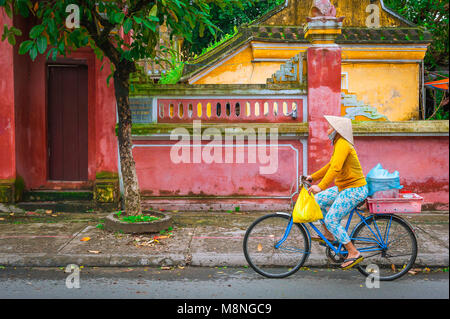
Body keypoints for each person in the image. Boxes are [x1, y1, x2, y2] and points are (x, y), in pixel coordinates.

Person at [306, 115, 369, 270]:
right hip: (344, 188)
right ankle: (329, 235)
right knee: (316, 200)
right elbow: (330, 166)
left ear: (338, 130)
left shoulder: (343, 144)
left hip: (354, 189)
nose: (327, 130)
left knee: (332, 219)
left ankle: (353, 252)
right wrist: (313, 177)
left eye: (329, 127)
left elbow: (335, 169)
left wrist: (320, 186)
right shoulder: (339, 144)